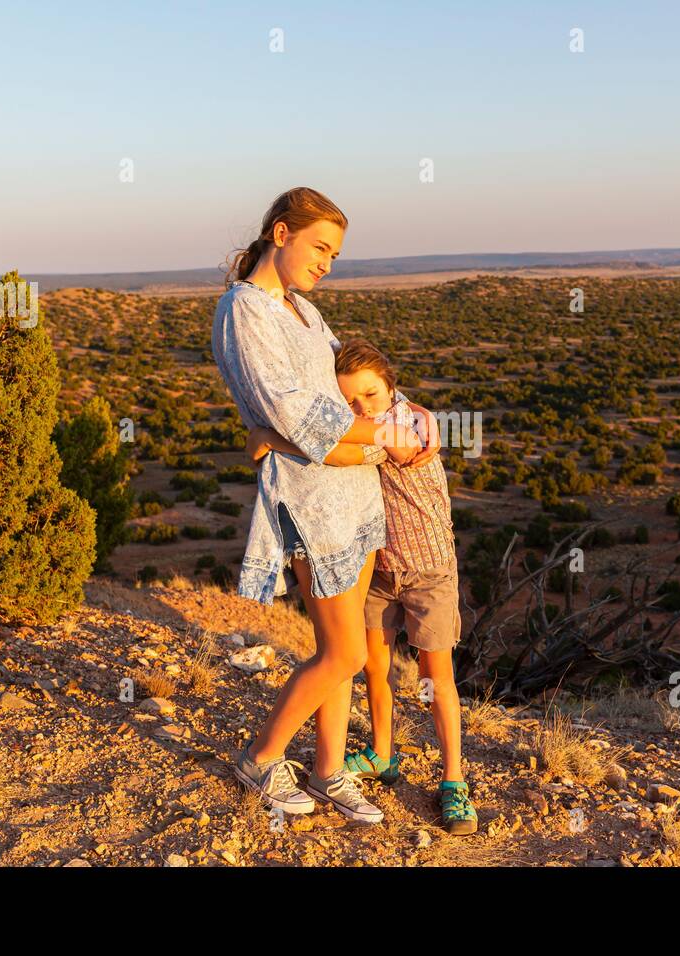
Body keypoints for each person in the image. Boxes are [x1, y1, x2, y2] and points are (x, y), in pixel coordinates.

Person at [211, 187, 440, 824]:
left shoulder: (306, 314)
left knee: (341, 650)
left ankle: (328, 769)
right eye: (320, 248)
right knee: (342, 653)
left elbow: (353, 384)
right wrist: (384, 435)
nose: (326, 265)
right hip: (311, 500)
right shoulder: (246, 311)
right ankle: (260, 758)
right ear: (280, 233)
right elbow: (300, 413)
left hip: (357, 497)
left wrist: (407, 414)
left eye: (335, 255)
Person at [247, 337, 477, 835]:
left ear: (391, 386)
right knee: (373, 667)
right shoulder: (373, 424)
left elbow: (351, 450)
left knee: (435, 679)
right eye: (349, 402)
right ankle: (381, 754)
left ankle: (453, 781)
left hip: (429, 570)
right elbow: (338, 446)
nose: (361, 409)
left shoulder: (410, 424)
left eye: (370, 395)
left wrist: (273, 437)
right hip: (377, 569)